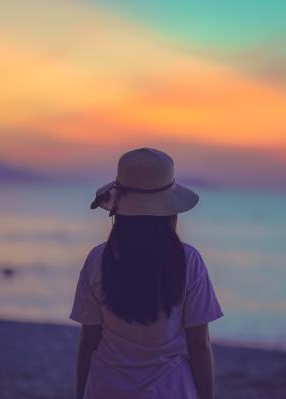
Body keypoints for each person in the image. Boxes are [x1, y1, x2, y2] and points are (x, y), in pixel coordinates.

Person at [70, 148, 223, 399]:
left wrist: (80, 394)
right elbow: (199, 344)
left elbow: (89, 339)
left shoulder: (99, 259)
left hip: (107, 388)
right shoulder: (188, 261)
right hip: (170, 389)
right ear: (169, 210)